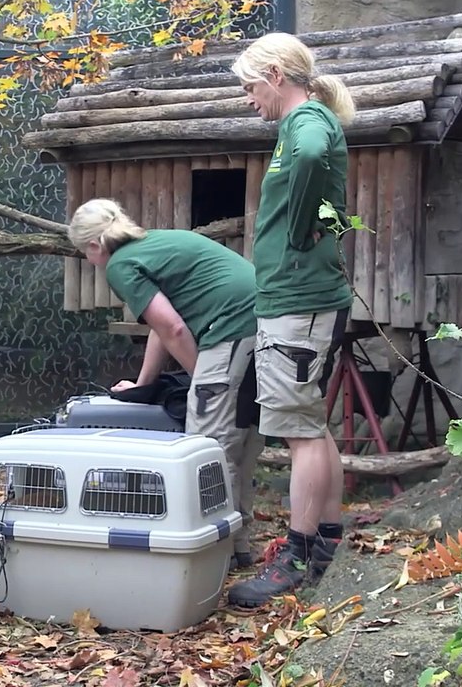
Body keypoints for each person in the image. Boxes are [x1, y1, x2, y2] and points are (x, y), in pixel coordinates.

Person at [223, 32, 357, 608]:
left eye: (250, 86)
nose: (249, 98)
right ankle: (326, 541)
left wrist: (300, 230)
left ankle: (297, 557)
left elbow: (305, 161)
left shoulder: (304, 124)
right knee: (312, 424)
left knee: (298, 432)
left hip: (297, 300)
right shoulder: (312, 121)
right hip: (303, 297)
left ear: (276, 75)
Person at [68, 198, 262, 570]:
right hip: (262, 320)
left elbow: (173, 329)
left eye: (85, 254)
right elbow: (163, 326)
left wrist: (200, 381)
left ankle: (217, 552)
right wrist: (142, 386)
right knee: (243, 437)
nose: (90, 262)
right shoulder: (153, 244)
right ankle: (239, 545)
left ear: (94, 246)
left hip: (231, 327)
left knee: (209, 445)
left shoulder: (120, 264)